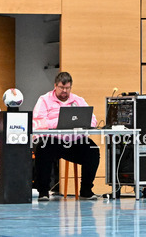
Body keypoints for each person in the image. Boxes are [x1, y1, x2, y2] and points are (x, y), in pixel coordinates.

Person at [33, 72, 100, 200]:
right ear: (55, 86)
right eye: (61, 88)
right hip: (52, 140)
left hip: (74, 141)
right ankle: (43, 192)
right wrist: (60, 122)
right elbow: (38, 122)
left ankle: (86, 190)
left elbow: (93, 120)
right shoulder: (44, 100)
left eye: (67, 88)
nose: (64, 91)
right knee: (43, 149)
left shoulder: (78, 100)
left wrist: (80, 123)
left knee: (93, 150)